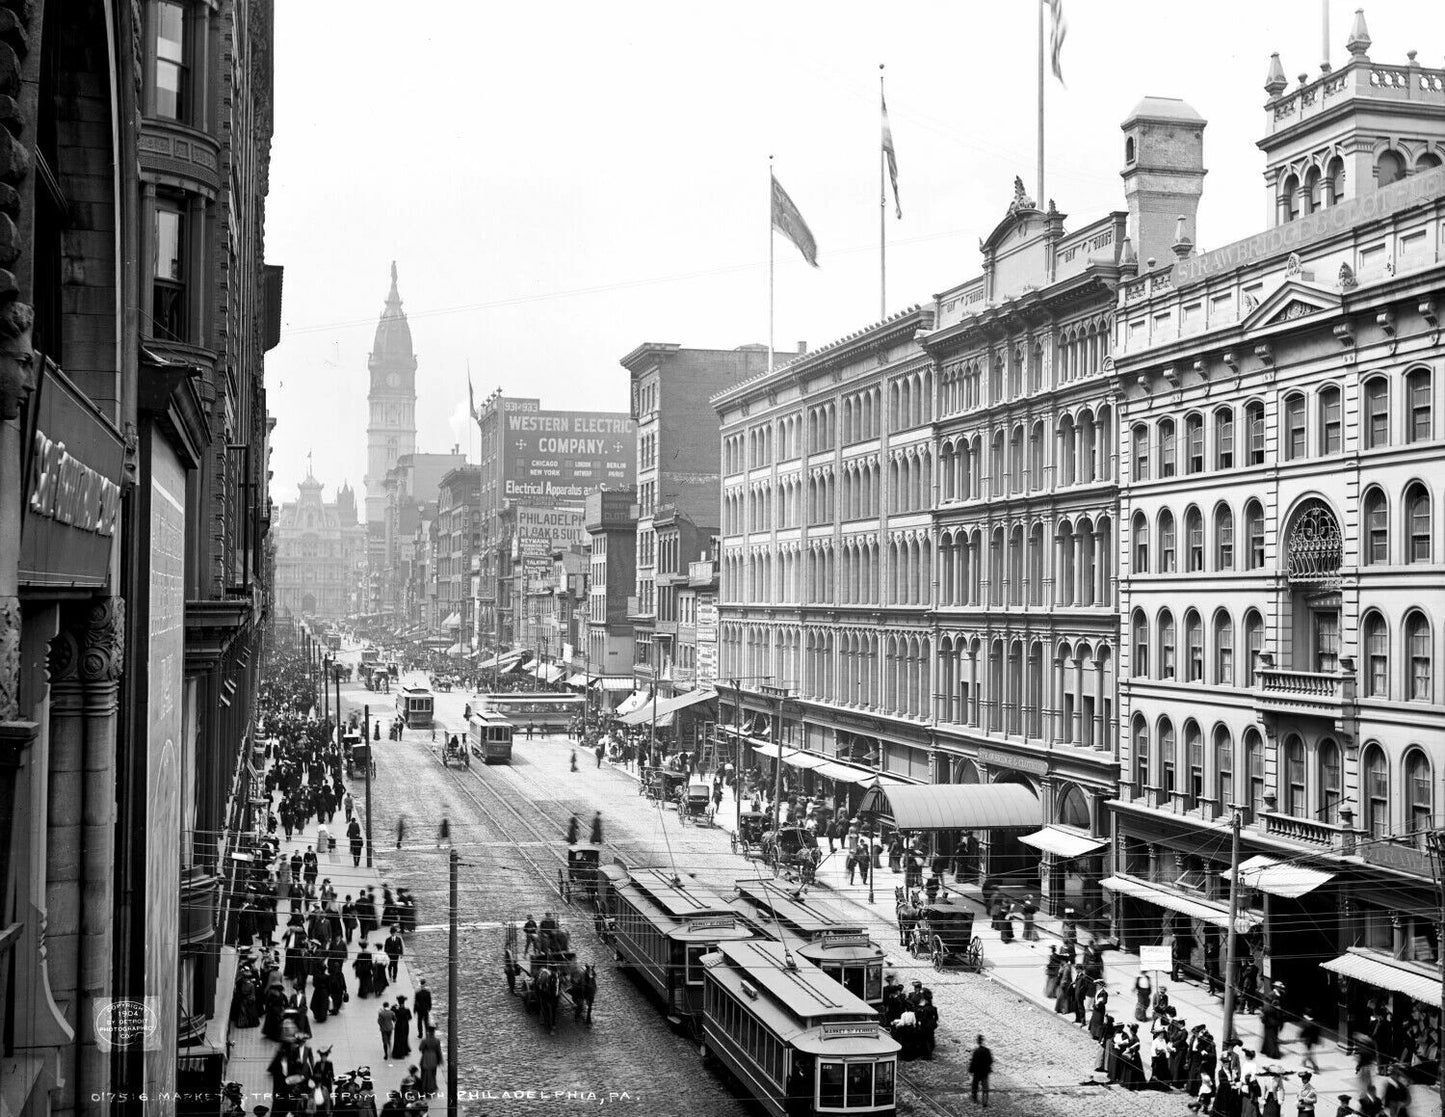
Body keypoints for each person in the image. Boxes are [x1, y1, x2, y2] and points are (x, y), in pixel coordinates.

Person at [969, 1034, 993, 1107]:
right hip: (984, 1072)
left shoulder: (976, 1051)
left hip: (977, 1072)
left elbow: (973, 1062)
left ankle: (974, 1098)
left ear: (978, 1041)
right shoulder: (987, 1051)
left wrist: (971, 1070)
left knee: (975, 1086)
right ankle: (985, 1102)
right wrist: (988, 1068)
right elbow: (990, 1060)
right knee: (985, 1088)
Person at [418, 1027, 443, 1095]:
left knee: (424, 1073)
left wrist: (424, 1050)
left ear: (428, 1032)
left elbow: (420, 1048)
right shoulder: (437, 1040)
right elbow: (439, 1051)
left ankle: (424, 1087)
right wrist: (440, 1060)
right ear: (434, 1032)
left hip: (426, 1057)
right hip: (434, 1057)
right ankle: (433, 1086)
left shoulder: (424, 1040)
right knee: (433, 1073)